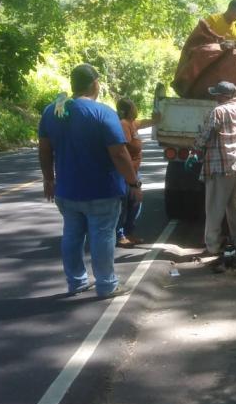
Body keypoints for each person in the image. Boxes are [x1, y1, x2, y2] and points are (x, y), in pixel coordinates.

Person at [38, 64, 142, 299]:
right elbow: (119, 154)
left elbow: (44, 151)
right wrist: (133, 184)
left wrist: (48, 179)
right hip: (101, 191)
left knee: (72, 235)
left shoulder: (52, 111)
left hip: (66, 191)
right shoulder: (103, 113)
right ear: (95, 83)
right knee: (102, 235)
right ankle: (106, 285)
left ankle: (76, 282)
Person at [191, 81, 236, 263]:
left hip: (220, 166)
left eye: (217, 94)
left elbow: (206, 135)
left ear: (224, 96)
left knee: (214, 208)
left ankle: (212, 246)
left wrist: (194, 149)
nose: (215, 97)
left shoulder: (218, 111)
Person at [114, 98, 160, 248]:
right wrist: (130, 176)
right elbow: (123, 150)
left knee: (135, 203)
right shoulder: (123, 125)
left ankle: (129, 232)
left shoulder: (132, 124)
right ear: (127, 110)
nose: (136, 109)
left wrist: (156, 120)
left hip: (134, 171)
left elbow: (143, 123)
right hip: (125, 172)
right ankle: (120, 234)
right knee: (124, 204)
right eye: (134, 107)